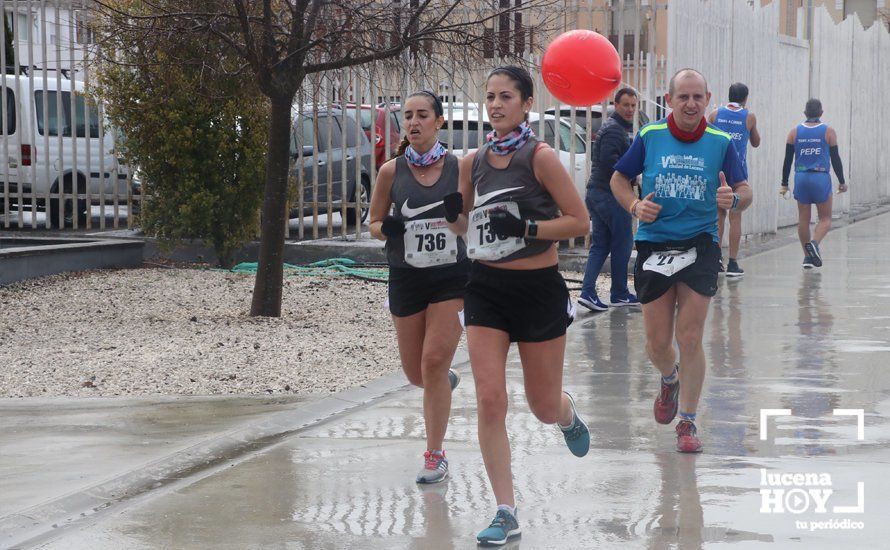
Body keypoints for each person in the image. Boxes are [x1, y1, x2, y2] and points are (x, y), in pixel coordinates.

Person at [442, 65, 591, 546]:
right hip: (485, 288)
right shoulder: (473, 162)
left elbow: (578, 221)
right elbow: (465, 228)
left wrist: (526, 230)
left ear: (527, 103)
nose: (495, 105)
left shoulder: (541, 157)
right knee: (490, 399)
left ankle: (567, 415)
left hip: (538, 290)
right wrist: (453, 216)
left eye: (505, 96)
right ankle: (505, 510)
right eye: (489, 97)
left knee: (542, 407)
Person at [610, 68, 752, 453]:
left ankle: (687, 422)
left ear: (708, 100)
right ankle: (669, 378)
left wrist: (734, 200)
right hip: (655, 244)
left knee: (689, 335)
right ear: (669, 100)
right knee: (657, 344)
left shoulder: (721, 142)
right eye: (683, 97)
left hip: (701, 245)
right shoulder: (650, 136)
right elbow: (618, 180)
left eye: (698, 97)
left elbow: (744, 189)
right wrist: (636, 205)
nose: (691, 104)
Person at [368, 90, 467, 484]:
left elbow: (469, 229)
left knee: (433, 362)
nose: (413, 122)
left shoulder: (459, 169)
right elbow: (373, 223)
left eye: (422, 115)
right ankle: (441, 383)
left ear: (439, 121)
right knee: (416, 373)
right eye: (407, 116)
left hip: (452, 276)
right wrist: (385, 229)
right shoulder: (390, 172)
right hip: (406, 275)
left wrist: (456, 218)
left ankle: (435, 454)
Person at [578, 87, 641, 311]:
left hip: (598, 193)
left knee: (601, 245)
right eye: (626, 105)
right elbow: (609, 162)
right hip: (609, 195)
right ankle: (620, 293)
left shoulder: (613, 128)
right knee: (623, 243)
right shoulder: (615, 130)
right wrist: (632, 176)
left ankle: (588, 292)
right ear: (616, 104)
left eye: (633, 105)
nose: (630, 109)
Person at [780, 98, 848, 268]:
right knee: (825, 219)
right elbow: (836, 159)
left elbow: (787, 161)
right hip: (820, 177)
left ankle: (807, 257)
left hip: (801, 177)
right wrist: (842, 181)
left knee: (803, 219)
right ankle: (815, 245)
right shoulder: (829, 132)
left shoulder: (794, 132)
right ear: (821, 113)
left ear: (805, 113)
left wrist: (784, 183)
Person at [708, 82, 761, 277]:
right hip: (738, 173)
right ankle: (732, 262)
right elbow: (756, 142)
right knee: (735, 214)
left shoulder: (714, 115)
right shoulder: (749, 116)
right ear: (745, 98)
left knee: (719, 215)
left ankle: (716, 261)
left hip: (717, 170)